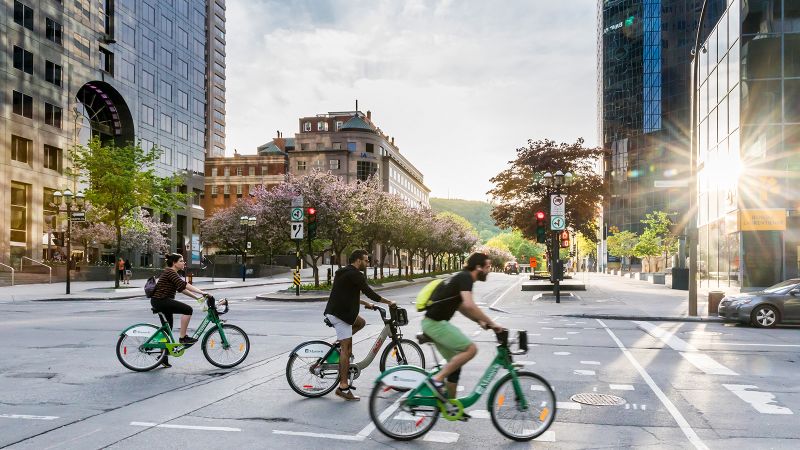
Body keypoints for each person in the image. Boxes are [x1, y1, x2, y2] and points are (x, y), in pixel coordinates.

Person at [423, 252, 503, 401]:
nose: (489, 270)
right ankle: (436, 380)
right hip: (435, 324)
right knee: (471, 349)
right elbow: (470, 304)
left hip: (433, 323)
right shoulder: (466, 277)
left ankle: (451, 405)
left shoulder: (463, 277)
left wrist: (479, 321)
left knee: (455, 364)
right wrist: (492, 323)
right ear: (478, 267)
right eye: (487, 267)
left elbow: (462, 307)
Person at [323, 249, 396, 401]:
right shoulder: (356, 274)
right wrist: (389, 302)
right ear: (358, 260)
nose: (368, 263)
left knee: (361, 322)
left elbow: (346, 294)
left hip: (338, 311)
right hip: (341, 316)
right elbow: (370, 292)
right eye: (366, 260)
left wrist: (364, 303)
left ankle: (338, 343)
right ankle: (343, 387)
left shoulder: (343, 272)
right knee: (347, 350)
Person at [150, 253, 210, 368]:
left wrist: (197, 297)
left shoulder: (171, 273)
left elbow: (181, 289)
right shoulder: (170, 272)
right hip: (161, 301)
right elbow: (184, 285)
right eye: (181, 261)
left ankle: (163, 358)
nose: (184, 263)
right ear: (174, 263)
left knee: (167, 331)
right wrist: (202, 292)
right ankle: (183, 338)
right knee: (187, 309)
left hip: (160, 301)